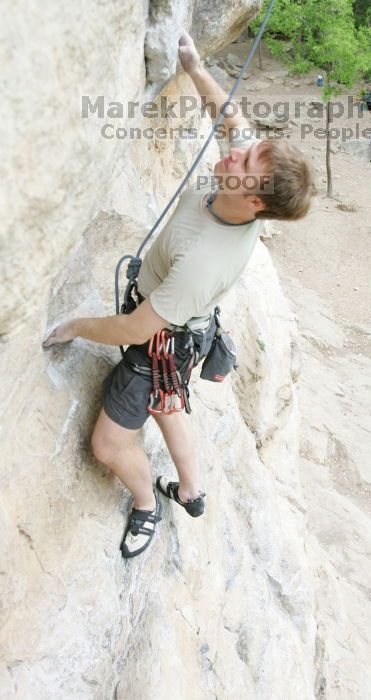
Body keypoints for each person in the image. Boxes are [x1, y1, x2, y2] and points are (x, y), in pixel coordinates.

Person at [42, 30, 316, 559]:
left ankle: (147, 503)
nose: (233, 154)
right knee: (170, 407)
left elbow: (132, 330)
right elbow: (232, 120)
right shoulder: (244, 184)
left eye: (244, 163)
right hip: (187, 331)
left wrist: (78, 326)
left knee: (107, 444)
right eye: (246, 152)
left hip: (156, 346)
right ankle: (191, 490)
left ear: (256, 201)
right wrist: (193, 66)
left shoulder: (205, 259)